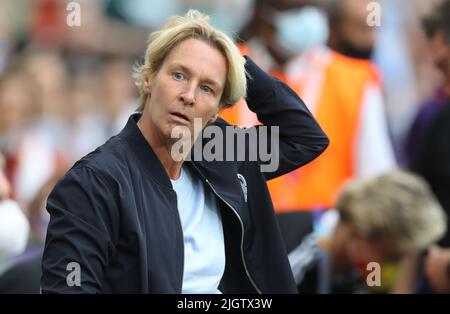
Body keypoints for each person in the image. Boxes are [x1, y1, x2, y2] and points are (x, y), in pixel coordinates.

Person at [40, 10, 329, 293]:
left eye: (207, 88)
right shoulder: (95, 182)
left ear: (218, 110)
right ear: (149, 77)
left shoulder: (220, 150)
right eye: (179, 75)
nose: (188, 96)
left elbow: (304, 138)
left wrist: (231, 61)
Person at [289, 170, 447, 293]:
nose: (394, 270)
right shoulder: (293, 253)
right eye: (393, 257)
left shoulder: (361, 272)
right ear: (363, 232)